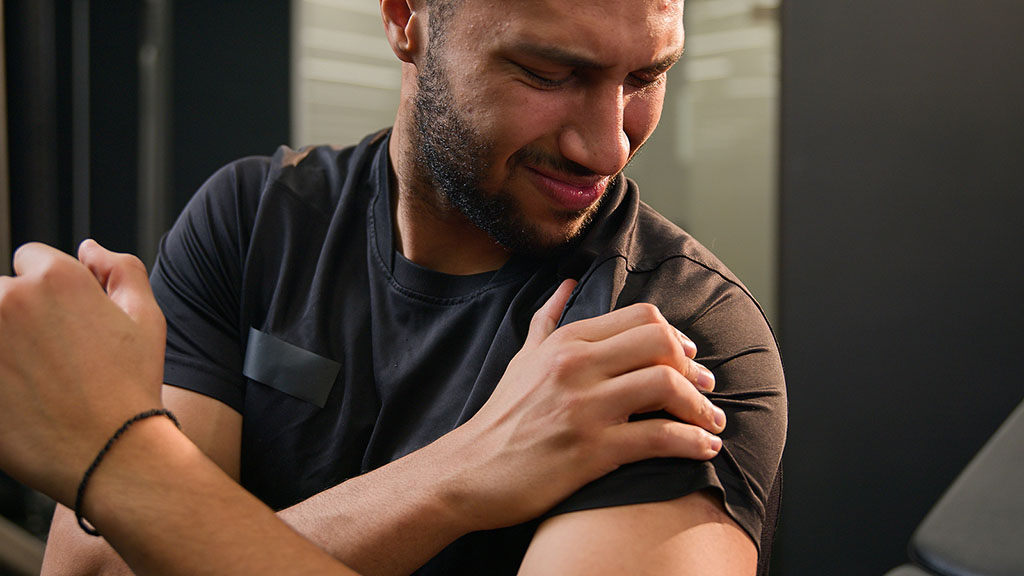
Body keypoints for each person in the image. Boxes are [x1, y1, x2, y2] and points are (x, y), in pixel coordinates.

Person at [42, 0, 787, 574]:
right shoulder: (251, 220)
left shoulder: (674, 332)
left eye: (645, 77)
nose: (607, 146)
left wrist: (128, 471)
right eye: (549, 73)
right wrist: (462, 472)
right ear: (405, 17)